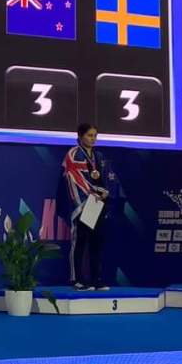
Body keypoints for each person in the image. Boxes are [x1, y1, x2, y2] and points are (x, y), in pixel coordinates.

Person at [62, 122, 110, 290]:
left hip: (96, 202)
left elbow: (105, 177)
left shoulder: (98, 156)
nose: (93, 139)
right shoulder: (73, 154)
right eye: (89, 135)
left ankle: (96, 280)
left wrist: (105, 192)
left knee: (96, 242)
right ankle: (78, 280)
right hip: (82, 202)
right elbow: (75, 178)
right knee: (80, 242)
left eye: (95, 136)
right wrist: (95, 191)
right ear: (80, 136)